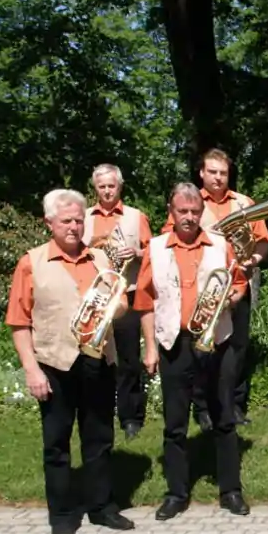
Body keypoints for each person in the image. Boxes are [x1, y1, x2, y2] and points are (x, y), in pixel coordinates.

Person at [6, 189, 136, 534]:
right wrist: (31, 370)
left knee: (99, 440)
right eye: (67, 221)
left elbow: (122, 300)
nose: (75, 226)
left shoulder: (101, 259)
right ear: (49, 222)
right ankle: (62, 515)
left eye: (79, 220)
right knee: (57, 443)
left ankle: (102, 507)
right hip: (54, 364)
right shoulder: (31, 262)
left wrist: (112, 309)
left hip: (98, 361)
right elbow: (19, 322)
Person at [138, 182, 251, 520]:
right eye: (182, 211)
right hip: (175, 343)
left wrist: (229, 300)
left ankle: (231, 490)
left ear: (202, 213)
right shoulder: (155, 248)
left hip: (217, 341)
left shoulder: (220, 244)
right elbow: (144, 302)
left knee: (224, 418)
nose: (188, 217)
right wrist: (150, 348)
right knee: (175, 424)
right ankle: (176, 493)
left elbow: (241, 283)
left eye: (194, 212)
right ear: (171, 213)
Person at [161, 148, 268, 428]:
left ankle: (235, 404)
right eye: (213, 172)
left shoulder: (244, 202)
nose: (219, 177)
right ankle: (202, 407)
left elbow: (262, 241)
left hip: (238, 282)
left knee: (238, 345)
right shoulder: (190, 201)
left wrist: (251, 261)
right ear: (202, 173)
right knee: (202, 346)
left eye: (223, 172)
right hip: (203, 287)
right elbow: (167, 237)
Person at [85, 164, 153, 440]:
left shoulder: (136, 217)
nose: (107, 190)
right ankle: (97, 411)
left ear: (120, 186)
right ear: (95, 188)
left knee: (128, 358)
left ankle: (130, 417)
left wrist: (136, 251)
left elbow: (154, 251)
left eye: (111, 185)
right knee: (95, 356)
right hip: (96, 293)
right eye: (101, 186)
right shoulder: (84, 217)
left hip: (129, 291)